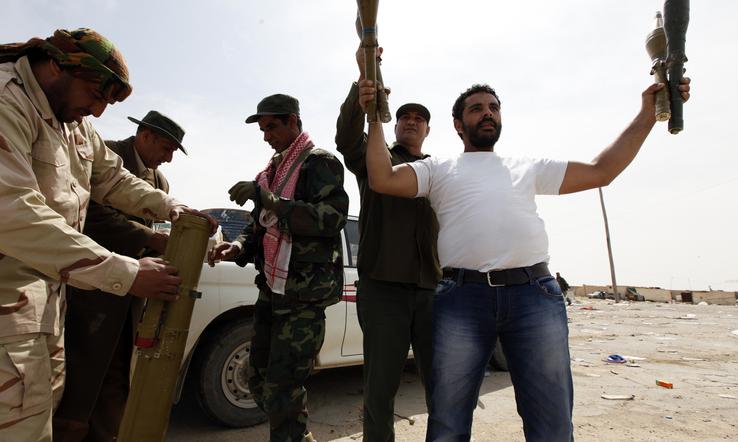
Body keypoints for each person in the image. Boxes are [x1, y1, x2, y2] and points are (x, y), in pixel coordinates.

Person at [359, 77, 691, 441]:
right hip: (461, 300)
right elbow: (383, 178)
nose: (487, 113)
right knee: (448, 420)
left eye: (493, 108)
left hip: (534, 297)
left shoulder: (527, 166)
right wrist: (374, 117)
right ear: (458, 124)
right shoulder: (437, 168)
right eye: (477, 108)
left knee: (551, 421)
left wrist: (647, 113)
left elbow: (602, 170)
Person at [0, 29, 215, 441]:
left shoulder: (72, 123)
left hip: (42, 316)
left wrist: (171, 207)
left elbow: (111, 178)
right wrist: (125, 272)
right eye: (95, 95)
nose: (96, 111)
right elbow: (8, 212)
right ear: (57, 65)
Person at [207, 94, 348, 442]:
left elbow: (331, 219)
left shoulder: (320, 164)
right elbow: (262, 228)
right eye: (262, 128)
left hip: (303, 295)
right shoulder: (272, 171)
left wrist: (270, 199)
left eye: (272, 127)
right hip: (272, 289)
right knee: (257, 378)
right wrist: (237, 247)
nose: (266, 135)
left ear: (293, 122)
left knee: (284, 385)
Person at [53, 110, 187, 441]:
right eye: (167, 149)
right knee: (82, 373)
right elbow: (93, 215)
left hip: (131, 294)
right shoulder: (109, 155)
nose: (168, 159)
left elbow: (158, 227)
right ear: (146, 136)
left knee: (116, 373)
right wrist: (150, 238)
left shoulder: (160, 182)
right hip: (93, 287)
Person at [335, 47, 440, 441]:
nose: (412, 122)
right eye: (405, 117)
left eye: (419, 119)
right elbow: (346, 138)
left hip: (431, 293)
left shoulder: (436, 172)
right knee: (380, 391)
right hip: (383, 292)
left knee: (441, 387)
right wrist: (361, 95)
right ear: (395, 126)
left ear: (428, 130)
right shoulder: (376, 158)